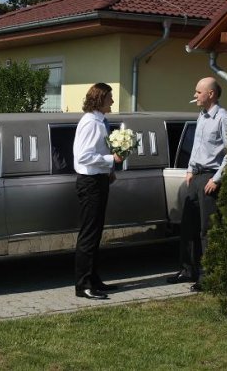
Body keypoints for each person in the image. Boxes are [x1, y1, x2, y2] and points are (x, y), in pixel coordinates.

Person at [166, 77, 227, 292]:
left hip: (210, 178)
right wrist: (190, 169)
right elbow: (197, 146)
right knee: (188, 226)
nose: (195, 95)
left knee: (207, 229)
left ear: (211, 94)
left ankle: (210, 276)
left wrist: (216, 179)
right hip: (196, 177)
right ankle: (188, 270)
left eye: (198, 92)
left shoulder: (223, 118)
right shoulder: (202, 116)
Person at [73, 83, 124, 300]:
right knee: (89, 234)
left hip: (99, 179)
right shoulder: (91, 123)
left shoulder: (100, 121)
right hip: (90, 183)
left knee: (96, 233)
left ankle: (94, 280)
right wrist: (111, 159)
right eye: (109, 97)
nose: (112, 101)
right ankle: (83, 285)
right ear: (100, 99)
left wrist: (108, 171)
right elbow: (83, 156)